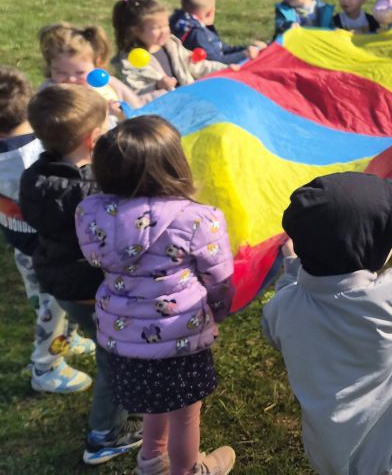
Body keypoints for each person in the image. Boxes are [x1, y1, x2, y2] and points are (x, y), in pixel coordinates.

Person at [262, 174, 392, 475]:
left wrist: (291, 266)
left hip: (333, 457)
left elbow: (281, 309)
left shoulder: (283, 309)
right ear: (369, 249)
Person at [77, 115, 236, 475]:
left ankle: (150, 461)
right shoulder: (197, 218)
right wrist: (220, 310)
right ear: (175, 164)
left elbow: (92, 256)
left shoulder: (90, 212)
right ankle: (187, 470)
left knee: (153, 403)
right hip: (181, 336)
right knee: (185, 414)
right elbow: (220, 278)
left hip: (121, 337)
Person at [19, 84, 143, 465]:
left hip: (59, 282)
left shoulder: (35, 176)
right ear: (93, 138)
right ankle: (104, 435)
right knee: (116, 360)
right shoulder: (95, 190)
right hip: (92, 289)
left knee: (100, 339)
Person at [0, 67, 92, 394]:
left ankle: (67, 336)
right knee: (52, 306)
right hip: (46, 246)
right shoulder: (34, 154)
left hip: (18, 238)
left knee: (39, 296)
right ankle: (46, 366)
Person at [111, 0, 226, 102]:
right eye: (158, 27)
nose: (164, 31)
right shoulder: (128, 62)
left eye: (166, 25)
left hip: (188, 103)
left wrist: (226, 69)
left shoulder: (172, 45)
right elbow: (132, 94)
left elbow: (197, 66)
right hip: (160, 114)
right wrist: (157, 86)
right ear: (135, 31)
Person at [38, 22, 142, 115]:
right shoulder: (49, 93)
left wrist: (122, 112)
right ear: (50, 67)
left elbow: (137, 107)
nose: (71, 79)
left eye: (80, 72)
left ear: (97, 64)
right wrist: (106, 113)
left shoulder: (108, 84)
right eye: (61, 72)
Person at [171, 0, 266, 64]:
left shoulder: (179, 21)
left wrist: (247, 48)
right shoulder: (198, 34)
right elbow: (214, 61)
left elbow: (220, 48)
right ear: (209, 13)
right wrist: (245, 54)